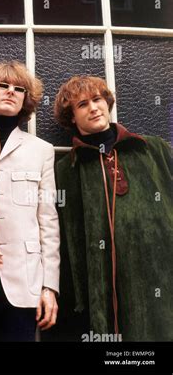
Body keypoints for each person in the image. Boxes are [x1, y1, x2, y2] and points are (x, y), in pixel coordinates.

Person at [54, 75, 172, 341]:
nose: (94, 108)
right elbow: (66, 238)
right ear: (72, 116)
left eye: (97, 100)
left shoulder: (153, 149)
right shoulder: (67, 170)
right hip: (105, 289)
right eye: (82, 104)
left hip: (161, 279)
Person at [0, 61, 59, 341]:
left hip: (24, 281)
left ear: (26, 99)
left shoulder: (41, 150)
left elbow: (48, 220)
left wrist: (49, 287)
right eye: (3, 86)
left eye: (19, 89)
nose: (11, 92)